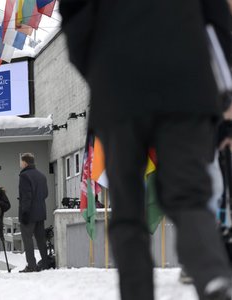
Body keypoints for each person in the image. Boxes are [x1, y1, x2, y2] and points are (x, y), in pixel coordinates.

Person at [60, 0, 232, 299]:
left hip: (118, 87)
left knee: (128, 209)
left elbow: (75, 18)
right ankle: (213, 276)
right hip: (187, 86)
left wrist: (98, 69)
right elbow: (219, 22)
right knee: (190, 196)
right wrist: (224, 97)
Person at [18, 153, 49, 273]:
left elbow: (26, 196)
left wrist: (25, 212)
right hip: (40, 211)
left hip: (29, 212)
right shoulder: (41, 176)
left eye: (21, 162)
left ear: (25, 162)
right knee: (41, 239)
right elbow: (45, 194)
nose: (20, 164)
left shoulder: (24, 176)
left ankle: (31, 265)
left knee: (27, 238)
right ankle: (45, 263)